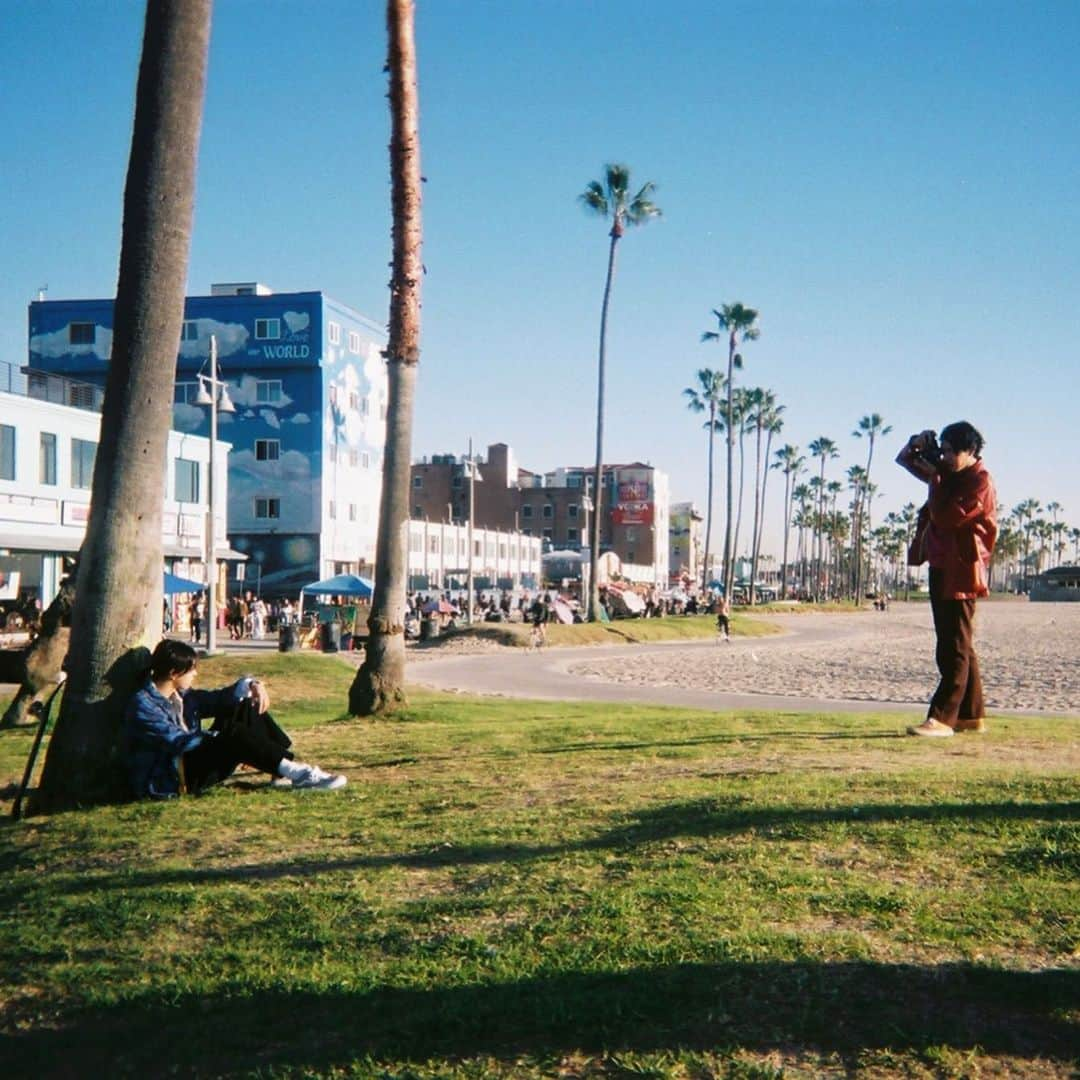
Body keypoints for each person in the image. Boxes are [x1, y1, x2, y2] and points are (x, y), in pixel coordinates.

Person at [124, 639, 347, 798]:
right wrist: (225, 740)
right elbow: (178, 741)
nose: (196, 675)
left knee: (244, 708)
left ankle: (279, 772)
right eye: (191, 671)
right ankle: (300, 774)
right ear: (174, 674)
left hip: (192, 759)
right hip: (174, 777)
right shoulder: (142, 705)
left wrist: (253, 685)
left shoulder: (182, 696)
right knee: (232, 734)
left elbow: (222, 698)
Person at [896, 421, 998, 737]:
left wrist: (937, 478)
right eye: (945, 449)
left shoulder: (978, 482)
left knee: (953, 645)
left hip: (963, 568)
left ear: (971, 451)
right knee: (958, 642)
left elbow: (947, 516)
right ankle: (971, 714)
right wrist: (917, 443)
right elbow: (905, 460)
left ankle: (943, 717)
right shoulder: (948, 473)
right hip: (941, 563)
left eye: (953, 451)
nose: (947, 456)